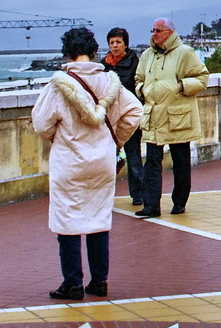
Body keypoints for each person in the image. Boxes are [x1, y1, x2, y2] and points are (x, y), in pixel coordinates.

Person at [35, 25, 143, 302]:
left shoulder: (58, 86)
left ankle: (72, 283)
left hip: (69, 161)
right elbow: (134, 112)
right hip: (102, 161)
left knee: (67, 220)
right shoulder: (110, 82)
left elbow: (41, 123)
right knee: (98, 218)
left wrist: (60, 138)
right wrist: (115, 141)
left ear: (67, 53)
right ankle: (99, 281)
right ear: (95, 52)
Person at [136, 17, 208, 218]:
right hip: (153, 117)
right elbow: (138, 79)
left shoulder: (185, 53)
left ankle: (179, 201)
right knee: (151, 161)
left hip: (178, 117)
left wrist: (180, 87)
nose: (154, 34)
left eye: (158, 30)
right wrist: (142, 90)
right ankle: (151, 205)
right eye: (153, 30)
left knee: (181, 161)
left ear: (169, 32)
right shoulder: (146, 55)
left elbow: (202, 78)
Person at [103, 27, 146, 209]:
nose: (114, 45)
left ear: (125, 44)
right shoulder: (103, 65)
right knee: (104, 158)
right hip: (108, 119)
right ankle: (103, 195)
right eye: (112, 42)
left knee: (133, 156)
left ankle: (139, 194)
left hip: (128, 118)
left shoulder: (135, 63)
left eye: (118, 42)